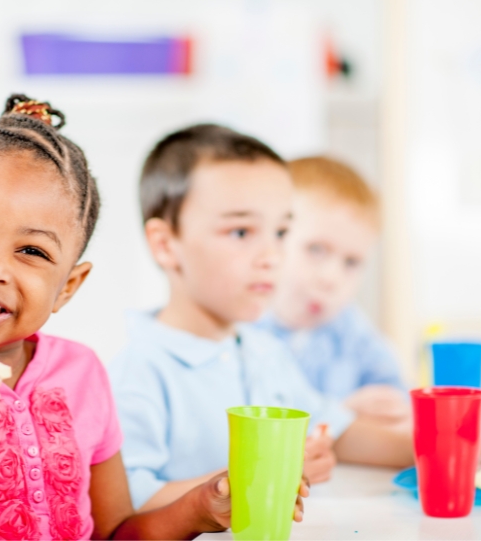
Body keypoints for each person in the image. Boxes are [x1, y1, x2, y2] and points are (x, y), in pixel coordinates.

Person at [0, 96, 308, 540]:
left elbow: (116, 533)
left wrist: (201, 508)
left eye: (31, 250)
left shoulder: (82, 374)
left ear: (68, 287)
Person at [110, 125, 418, 513]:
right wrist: (263, 475)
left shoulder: (265, 353)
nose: (272, 256)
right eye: (241, 231)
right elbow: (127, 503)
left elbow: (335, 429)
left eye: (281, 232)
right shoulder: (140, 372)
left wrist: (427, 450)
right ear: (166, 245)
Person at [255, 156, 409, 422]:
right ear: (275, 239)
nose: (331, 279)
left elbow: (396, 394)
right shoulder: (244, 328)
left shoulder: (351, 330)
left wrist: (388, 406)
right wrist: (339, 414)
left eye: (351, 262)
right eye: (316, 250)